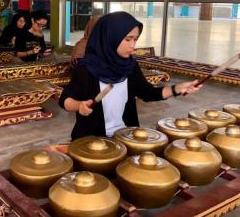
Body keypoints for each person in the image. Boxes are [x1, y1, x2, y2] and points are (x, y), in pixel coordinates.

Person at [58, 11, 202, 141]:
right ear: (110, 37)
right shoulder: (86, 68)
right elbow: (64, 100)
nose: (133, 45)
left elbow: (148, 93)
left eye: (135, 39)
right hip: (92, 140)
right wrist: (79, 106)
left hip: (125, 136)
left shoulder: (130, 66)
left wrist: (177, 88)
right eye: (128, 39)